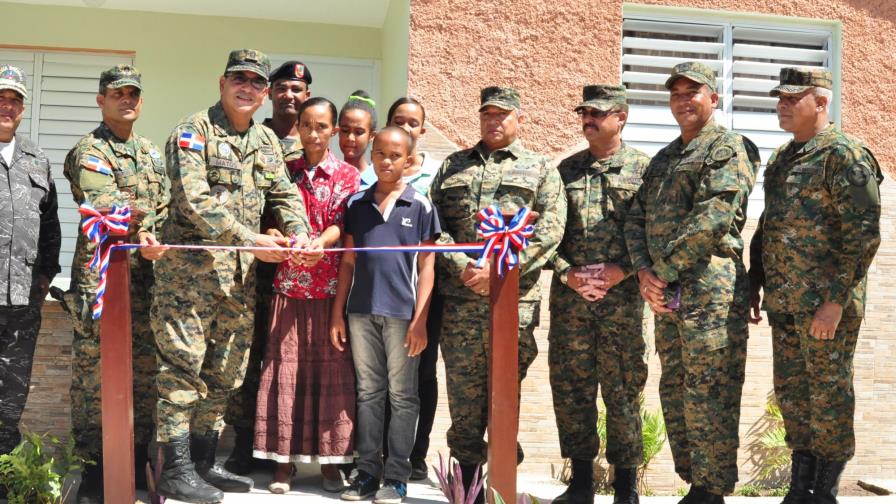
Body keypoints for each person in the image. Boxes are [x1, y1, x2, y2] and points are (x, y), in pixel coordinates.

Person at [151, 49, 311, 503]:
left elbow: (284, 193)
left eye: (257, 82)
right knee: (181, 374)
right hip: (189, 284)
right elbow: (192, 202)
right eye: (239, 79)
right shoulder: (192, 132)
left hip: (237, 285)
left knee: (225, 374)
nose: (248, 87)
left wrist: (299, 234)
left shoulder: (265, 141)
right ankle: (174, 470)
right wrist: (249, 238)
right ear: (221, 83)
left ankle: (201, 463)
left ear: (264, 95)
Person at [624, 62, 759, 504]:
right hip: (667, 293)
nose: (683, 100)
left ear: (713, 98)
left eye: (693, 92)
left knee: (711, 389)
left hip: (710, 291)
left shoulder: (727, 148)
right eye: (676, 93)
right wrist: (644, 271)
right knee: (676, 386)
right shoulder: (664, 158)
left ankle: (711, 488)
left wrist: (660, 272)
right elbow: (636, 217)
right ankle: (695, 483)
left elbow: (712, 220)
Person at [748, 68, 882, 504]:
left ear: (820, 103)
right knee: (793, 397)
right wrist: (755, 280)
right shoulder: (782, 158)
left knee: (828, 396)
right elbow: (769, 225)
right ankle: (799, 488)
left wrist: (835, 301)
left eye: (792, 98)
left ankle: (825, 491)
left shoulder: (844, 155)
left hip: (825, 306)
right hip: (784, 302)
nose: (782, 105)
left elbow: (862, 234)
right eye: (780, 99)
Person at [428, 86, 566, 503]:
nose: (494, 121)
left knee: (507, 397)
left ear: (520, 120)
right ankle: (467, 489)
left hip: (514, 306)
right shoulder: (453, 166)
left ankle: (502, 485)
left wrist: (502, 271)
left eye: (503, 114)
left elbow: (551, 230)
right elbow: (434, 226)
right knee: (465, 397)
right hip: (463, 302)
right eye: (487, 114)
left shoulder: (540, 168)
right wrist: (463, 267)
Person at [61, 64, 169, 503]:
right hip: (100, 281)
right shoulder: (88, 150)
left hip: (147, 279)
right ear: (100, 99)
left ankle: (138, 469)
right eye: (117, 92)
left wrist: (150, 223)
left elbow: (165, 203)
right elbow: (105, 204)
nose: (127, 99)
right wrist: (144, 221)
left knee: (144, 375)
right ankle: (93, 477)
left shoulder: (150, 152)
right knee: (94, 378)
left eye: (133, 94)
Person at [253, 97, 360, 494]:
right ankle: (283, 465)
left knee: (329, 375)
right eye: (307, 125)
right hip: (288, 288)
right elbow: (268, 216)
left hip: (329, 289)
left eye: (322, 126)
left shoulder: (348, 175)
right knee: (286, 374)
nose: (313, 134)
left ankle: (331, 464)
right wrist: (278, 236)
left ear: (333, 130)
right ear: (297, 127)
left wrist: (319, 242)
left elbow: (341, 225)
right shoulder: (285, 171)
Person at [549, 85, 649, 504]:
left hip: (621, 304)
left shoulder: (645, 170)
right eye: (584, 112)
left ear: (620, 117)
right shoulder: (565, 171)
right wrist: (567, 274)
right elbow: (547, 237)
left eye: (598, 113)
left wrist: (620, 271)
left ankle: (626, 488)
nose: (588, 119)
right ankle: (581, 484)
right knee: (572, 390)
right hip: (571, 303)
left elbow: (652, 234)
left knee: (623, 390)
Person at [331, 126, 439, 504]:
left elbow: (427, 266)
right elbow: (346, 263)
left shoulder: (421, 206)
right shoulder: (356, 205)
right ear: (372, 155)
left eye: (396, 155)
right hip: (360, 312)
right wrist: (337, 313)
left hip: (402, 316)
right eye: (380, 154)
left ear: (409, 161)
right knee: (369, 394)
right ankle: (366, 474)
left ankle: (396, 478)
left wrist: (420, 319)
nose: (387, 161)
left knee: (404, 396)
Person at [224, 59, 313, 476]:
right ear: (269, 94)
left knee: (287, 361)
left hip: (294, 270)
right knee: (244, 356)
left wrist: (303, 236)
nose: (288, 95)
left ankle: (283, 447)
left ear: (306, 95)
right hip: (246, 268)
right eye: (280, 88)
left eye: (297, 89)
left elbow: (292, 200)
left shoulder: (313, 139)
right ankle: (244, 443)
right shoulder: (248, 135)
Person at [0, 64, 61, 500]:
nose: (7, 105)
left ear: (23, 108)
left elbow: (52, 228)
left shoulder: (36, 160)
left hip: (22, 302)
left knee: (11, 397)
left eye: (15, 99)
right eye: (1, 97)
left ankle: (4, 478)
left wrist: (43, 279)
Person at [383, 96, 442, 479]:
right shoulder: (375, 173)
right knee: (381, 377)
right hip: (381, 292)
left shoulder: (438, 174)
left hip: (423, 293)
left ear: (422, 129)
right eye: (398, 120)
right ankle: (382, 450)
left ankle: (415, 455)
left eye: (412, 122)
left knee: (421, 374)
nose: (405, 127)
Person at [339, 90, 376, 176]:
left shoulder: (379, 182)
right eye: (345, 130)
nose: (350, 138)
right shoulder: (328, 178)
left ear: (371, 136)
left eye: (359, 132)